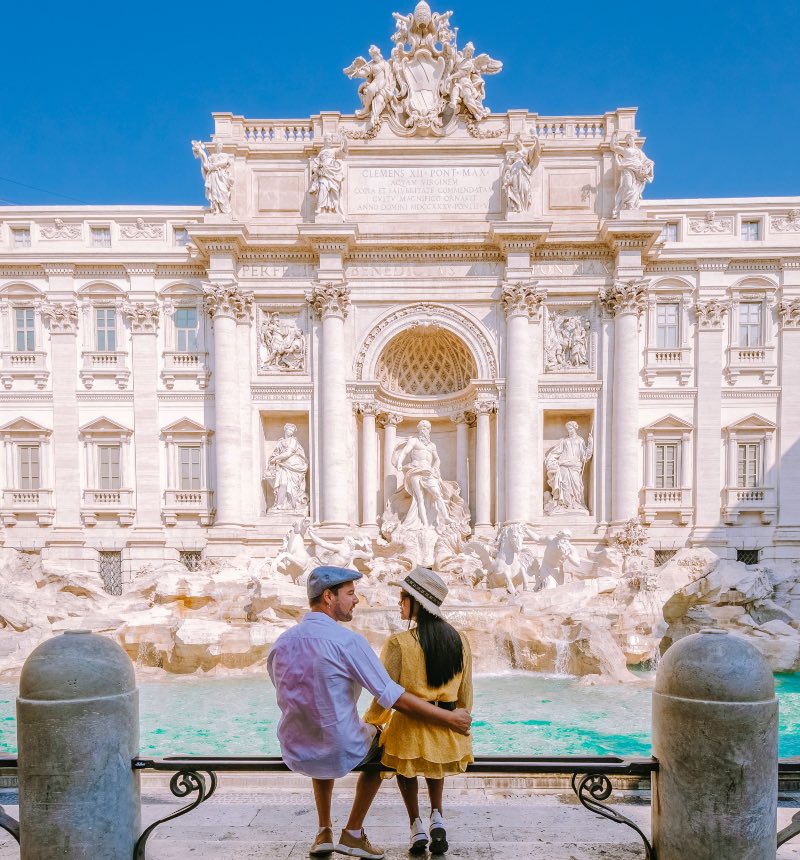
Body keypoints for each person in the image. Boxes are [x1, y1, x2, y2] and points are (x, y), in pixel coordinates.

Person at [268, 566, 472, 859]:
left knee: (325, 726)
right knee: (383, 742)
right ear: (329, 597)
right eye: (350, 593)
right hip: (338, 747)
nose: (357, 600)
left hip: (296, 748)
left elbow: (284, 691)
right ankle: (352, 833)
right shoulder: (347, 642)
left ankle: (324, 830)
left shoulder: (282, 642)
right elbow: (392, 697)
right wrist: (449, 717)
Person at [364, 567, 473, 855]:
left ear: (416, 602)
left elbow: (384, 693)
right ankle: (437, 815)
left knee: (406, 765)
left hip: (408, 728)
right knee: (433, 762)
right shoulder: (460, 639)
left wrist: (372, 723)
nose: (399, 602)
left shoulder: (398, 643)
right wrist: (460, 720)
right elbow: (466, 693)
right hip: (447, 730)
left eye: (403, 596)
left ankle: (416, 825)